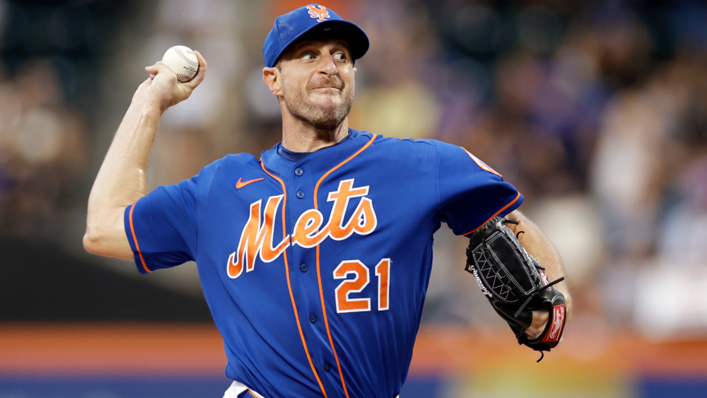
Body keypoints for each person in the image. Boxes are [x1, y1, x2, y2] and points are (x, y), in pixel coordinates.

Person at [84, 4, 572, 398]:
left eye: (341, 55)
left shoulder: (419, 165)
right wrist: (150, 102)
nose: (329, 66)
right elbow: (104, 228)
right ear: (272, 80)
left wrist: (557, 306)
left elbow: (509, 221)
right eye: (309, 55)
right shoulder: (218, 189)